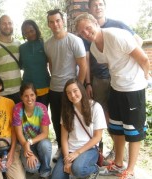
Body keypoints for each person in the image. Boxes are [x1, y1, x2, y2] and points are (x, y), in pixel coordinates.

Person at [75, 13, 149, 179]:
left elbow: (144, 59)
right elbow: (112, 64)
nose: (86, 32)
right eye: (82, 32)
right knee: (117, 128)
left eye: (88, 27)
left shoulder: (116, 35)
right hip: (116, 88)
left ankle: (130, 172)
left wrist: (144, 80)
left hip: (133, 89)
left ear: (95, 23)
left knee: (134, 132)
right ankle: (117, 164)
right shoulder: (93, 48)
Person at [84, 0, 143, 164]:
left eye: (100, 4)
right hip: (101, 80)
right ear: (89, 9)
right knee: (108, 117)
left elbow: (137, 41)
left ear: (104, 7)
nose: (98, 7)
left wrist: (129, 66)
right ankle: (112, 152)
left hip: (125, 81)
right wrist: (88, 83)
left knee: (129, 121)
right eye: (94, 5)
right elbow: (87, 59)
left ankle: (121, 157)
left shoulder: (117, 25)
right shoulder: (85, 30)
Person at [44, 9, 87, 162]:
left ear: (63, 21)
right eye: (51, 21)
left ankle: (76, 149)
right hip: (54, 88)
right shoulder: (48, 44)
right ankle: (62, 149)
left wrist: (78, 88)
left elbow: (83, 66)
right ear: (48, 24)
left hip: (71, 90)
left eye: (58, 20)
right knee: (56, 120)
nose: (55, 24)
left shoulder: (74, 40)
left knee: (73, 119)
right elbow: (50, 65)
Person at [50, 78, 106, 179]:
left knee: (78, 168)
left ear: (81, 90)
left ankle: (93, 169)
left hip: (88, 149)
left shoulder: (95, 107)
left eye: (75, 90)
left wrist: (77, 153)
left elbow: (97, 137)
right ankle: (73, 170)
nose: (73, 95)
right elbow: (64, 139)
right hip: (69, 151)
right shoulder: (66, 110)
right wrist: (66, 160)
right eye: (69, 93)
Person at [13, 83, 52, 179]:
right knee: (33, 168)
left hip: (38, 141)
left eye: (32, 95)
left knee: (45, 145)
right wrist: (26, 147)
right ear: (21, 97)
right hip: (23, 143)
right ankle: (35, 160)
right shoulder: (17, 109)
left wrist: (29, 143)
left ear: (36, 95)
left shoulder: (42, 108)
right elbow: (19, 134)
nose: (29, 98)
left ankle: (45, 171)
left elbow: (45, 133)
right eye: (26, 95)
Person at [0, 15, 21, 104]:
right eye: (4, 24)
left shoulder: (18, 44)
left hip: (19, 91)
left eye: (10, 23)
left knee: (18, 118)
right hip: (2, 93)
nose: (7, 26)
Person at [19, 20, 50, 108]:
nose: (30, 34)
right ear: (23, 34)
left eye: (31, 31)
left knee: (42, 116)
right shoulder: (21, 48)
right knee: (29, 117)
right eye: (26, 32)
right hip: (28, 89)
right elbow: (20, 65)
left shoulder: (45, 45)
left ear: (36, 29)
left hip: (44, 86)